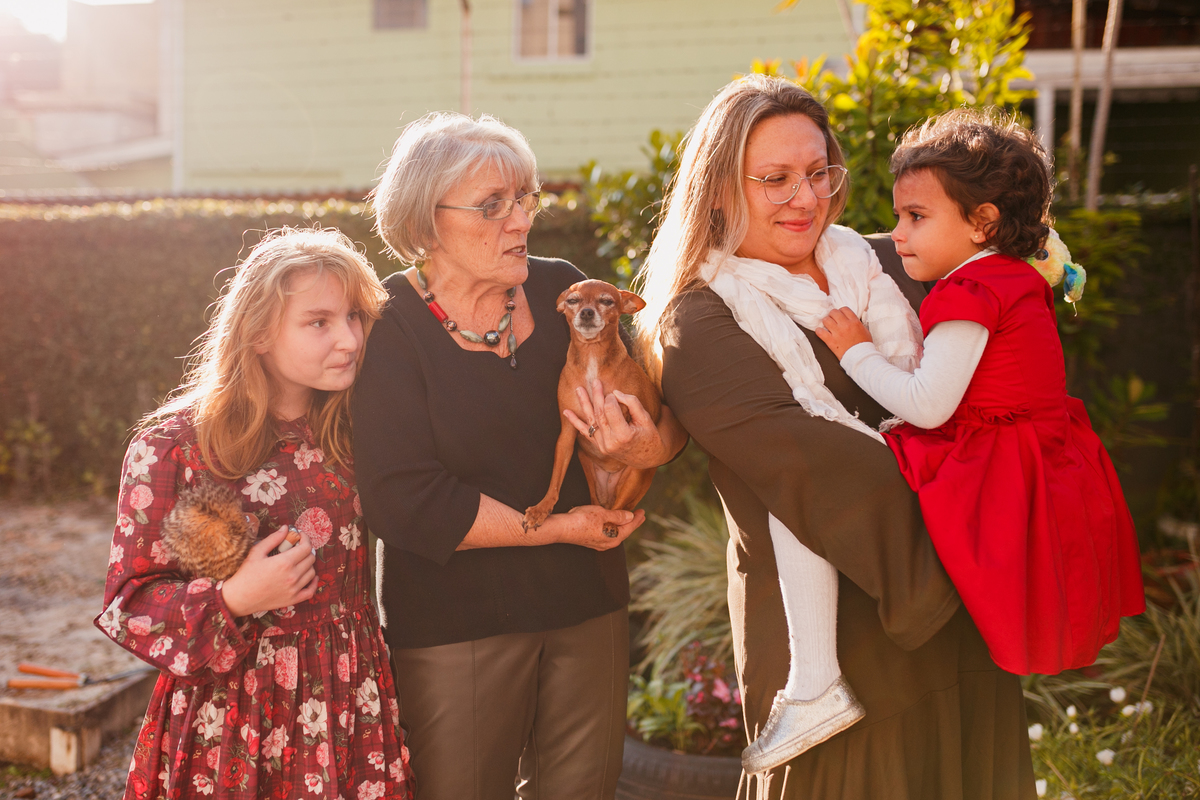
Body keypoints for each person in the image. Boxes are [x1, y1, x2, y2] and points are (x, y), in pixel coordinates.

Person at [636, 74, 1037, 798]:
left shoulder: (890, 260)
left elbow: (1003, 354)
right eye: (776, 179)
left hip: (961, 620)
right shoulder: (698, 321)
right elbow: (815, 463)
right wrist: (978, 510)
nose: (806, 198)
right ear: (719, 190)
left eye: (819, 173)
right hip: (840, 652)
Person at [353, 112, 687, 800]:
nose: (521, 221)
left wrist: (647, 444)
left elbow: (662, 414)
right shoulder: (388, 325)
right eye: (493, 205)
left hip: (586, 600)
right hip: (456, 622)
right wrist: (559, 527)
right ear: (426, 219)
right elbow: (401, 500)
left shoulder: (562, 286)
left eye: (526, 198)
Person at [815, 109, 1144, 678]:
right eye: (898, 216)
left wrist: (856, 351)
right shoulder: (1014, 274)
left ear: (983, 223)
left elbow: (927, 405)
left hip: (1000, 468)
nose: (897, 234)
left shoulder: (971, 291)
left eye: (916, 216)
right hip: (1047, 453)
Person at [95, 229, 414, 800]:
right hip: (233, 718)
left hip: (349, 705)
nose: (348, 339)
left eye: (354, 317)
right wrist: (234, 598)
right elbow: (130, 606)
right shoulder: (175, 446)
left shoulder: (358, 431)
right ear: (260, 332)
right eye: (318, 322)